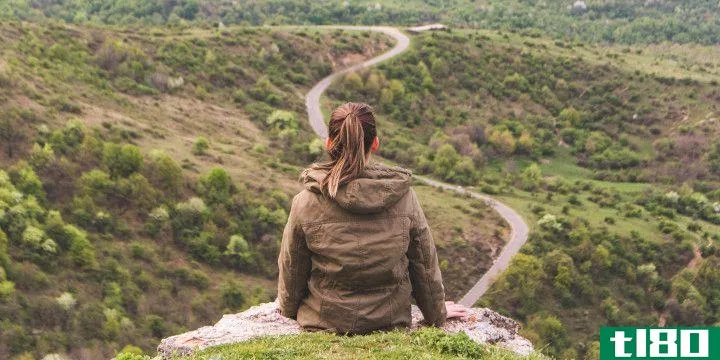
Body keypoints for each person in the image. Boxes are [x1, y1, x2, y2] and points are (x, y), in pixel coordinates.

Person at [277, 102, 467, 334]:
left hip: (324, 321)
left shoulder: (305, 201)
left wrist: (287, 310)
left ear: (329, 144)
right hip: (389, 322)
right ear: (375, 143)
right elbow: (424, 264)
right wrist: (437, 314)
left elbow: (293, 266)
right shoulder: (403, 197)